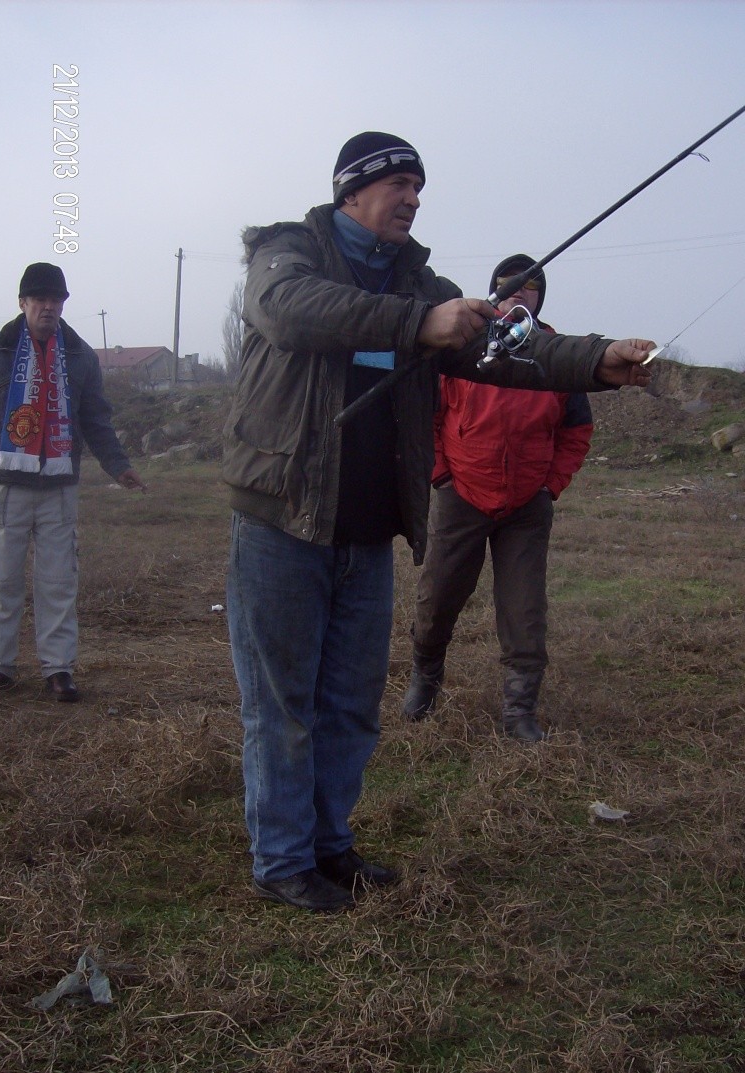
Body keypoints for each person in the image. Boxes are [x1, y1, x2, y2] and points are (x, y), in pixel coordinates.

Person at [222, 131, 654, 912]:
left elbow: (506, 352)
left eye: (420, 187)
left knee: (351, 701)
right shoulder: (290, 251)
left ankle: (329, 843)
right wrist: (418, 323)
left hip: (368, 528)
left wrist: (595, 361)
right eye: (400, 185)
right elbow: (289, 312)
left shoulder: (425, 282)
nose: (414, 199)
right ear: (353, 190)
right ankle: (281, 860)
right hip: (281, 520)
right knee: (283, 703)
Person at [402, 254, 593, 740]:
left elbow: (577, 431)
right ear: (494, 292)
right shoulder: (463, 346)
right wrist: (442, 475)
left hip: (527, 503)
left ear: (539, 298)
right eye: (508, 285)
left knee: (524, 609)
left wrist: (551, 487)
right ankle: (425, 678)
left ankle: (519, 711)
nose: (518, 292)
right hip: (462, 492)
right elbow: (430, 415)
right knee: (438, 597)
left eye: (530, 287)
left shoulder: (556, 353)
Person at [0, 263, 146, 701]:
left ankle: (58, 670)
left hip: (58, 486)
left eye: (56, 300)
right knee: (0, 578)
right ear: (23, 303)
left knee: (58, 581)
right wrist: (0, 443)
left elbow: (95, 418)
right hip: (5, 484)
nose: (48, 307)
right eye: (40, 300)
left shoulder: (80, 355)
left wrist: (118, 465)